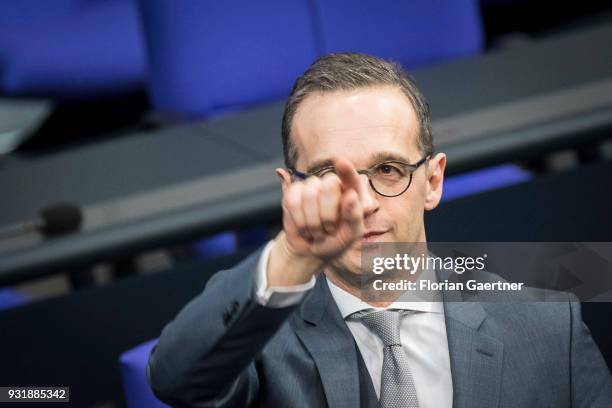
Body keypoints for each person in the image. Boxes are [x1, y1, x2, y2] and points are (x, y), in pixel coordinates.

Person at [147, 53, 612, 407]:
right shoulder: (256, 339)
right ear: (291, 193)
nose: (363, 203)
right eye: (331, 175)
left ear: (432, 181)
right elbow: (175, 379)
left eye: (388, 169)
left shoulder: (549, 326)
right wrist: (290, 254)